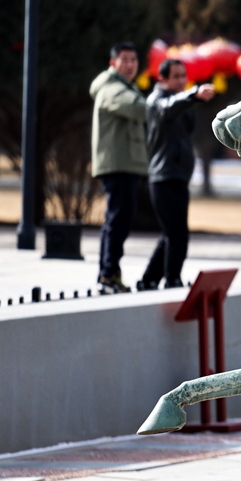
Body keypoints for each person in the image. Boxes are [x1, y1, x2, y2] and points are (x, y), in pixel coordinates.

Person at [137, 59, 215, 290]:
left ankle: (149, 279)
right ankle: (172, 279)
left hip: (179, 175)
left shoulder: (182, 103)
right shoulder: (156, 100)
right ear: (162, 78)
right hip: (163, 176)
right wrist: (193, 94)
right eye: (176, 76)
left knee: (172, 233)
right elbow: (168, 107)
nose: (182, 80)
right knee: (177, 233)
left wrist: (190, 98)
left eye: (184, 76)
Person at [90, 42, 148, 293]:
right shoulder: (111, 88)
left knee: (119, 219)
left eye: (134, 60)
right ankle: (107, 275)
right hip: (117, 164)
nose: (130, 64)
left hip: (126, 163)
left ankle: (110, 273)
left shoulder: (125, 86)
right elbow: (137, 108)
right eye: (125, 59)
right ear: (113, 63)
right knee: (117, 220)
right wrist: (163, 104)